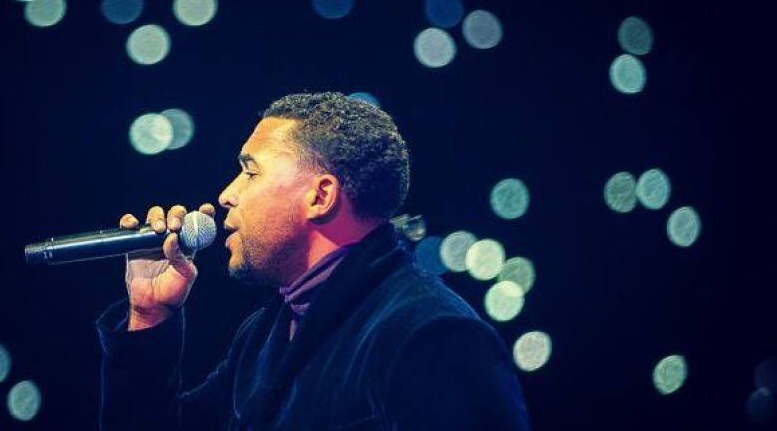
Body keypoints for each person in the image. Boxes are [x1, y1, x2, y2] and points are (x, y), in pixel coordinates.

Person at [97, 92, 531, 431]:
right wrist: (148, 316)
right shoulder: (264, 334)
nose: (227, 194)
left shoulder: (430, 335)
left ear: (320, 196)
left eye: (250, 172)